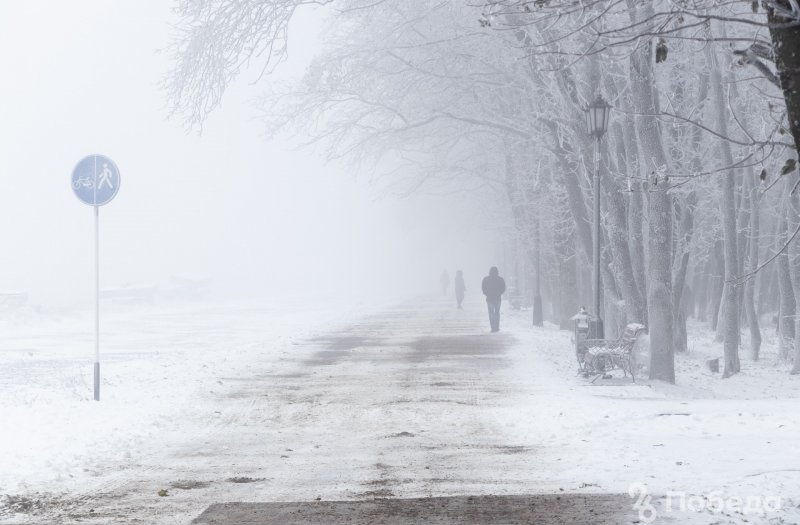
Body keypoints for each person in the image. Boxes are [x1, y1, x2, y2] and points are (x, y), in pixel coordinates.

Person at [481, 266, 506, 332]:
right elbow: (503, 288)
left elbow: (483, 288)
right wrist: (499, 293)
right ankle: (497, 326)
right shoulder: (500, 279)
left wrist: (487, 293)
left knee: (491, 313)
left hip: (489, 298)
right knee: (497, 313)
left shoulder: (486, 279)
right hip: (498, 298)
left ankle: (492, 326)